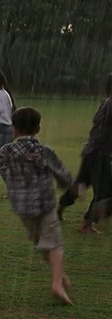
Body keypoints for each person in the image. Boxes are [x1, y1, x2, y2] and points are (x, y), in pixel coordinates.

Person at [0, 107, 73, 304]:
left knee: (41, 243)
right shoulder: (44, 151)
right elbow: (63, 175)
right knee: (54, 242)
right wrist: (69, 186)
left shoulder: (7, 150)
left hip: (23, 207)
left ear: (14, 129)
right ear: (38, 128)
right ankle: (57, 282)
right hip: (44, 203)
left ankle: (61, 276)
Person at [57, 73, 112, 232]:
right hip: (100, 152)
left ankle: (61, 205)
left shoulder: (105, 102)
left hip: (92, 150)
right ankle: (87, 223)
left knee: (82, 183)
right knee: (105, 190)